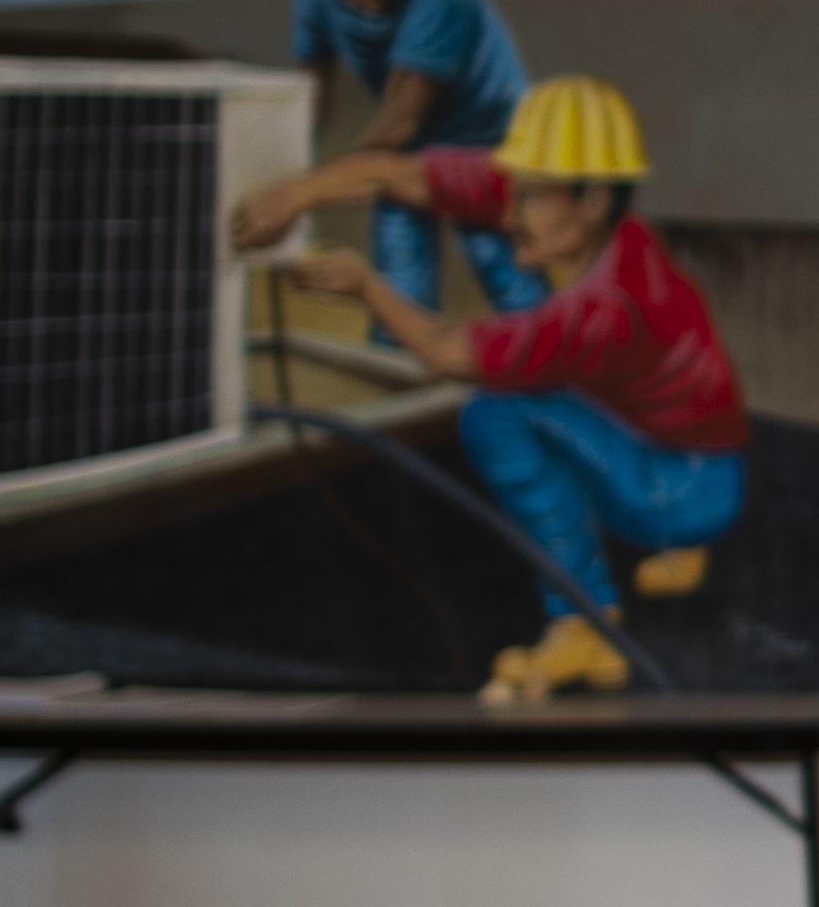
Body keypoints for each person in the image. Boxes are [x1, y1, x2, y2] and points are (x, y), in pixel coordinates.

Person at [230, 74, 745, 702]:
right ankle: (673, 546)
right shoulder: (591, 226)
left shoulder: (606, 308)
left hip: (690, 485)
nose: (506, 214)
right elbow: (399, 176)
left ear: (592, 199)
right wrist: (295, 196)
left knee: (497, 415)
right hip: (675, 443)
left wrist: (366, 287)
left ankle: (584, 624)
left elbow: (448, 352)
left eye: (528, 198)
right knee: (549, 398)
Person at [291, 0, 535, 311]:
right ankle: (398, 363)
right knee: (399, 274)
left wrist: (301, 193)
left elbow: (402, 116)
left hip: (489, 145)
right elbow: (307, 107)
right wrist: (291, 198)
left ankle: (549, 375)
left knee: (506, 269)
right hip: (411, 150)